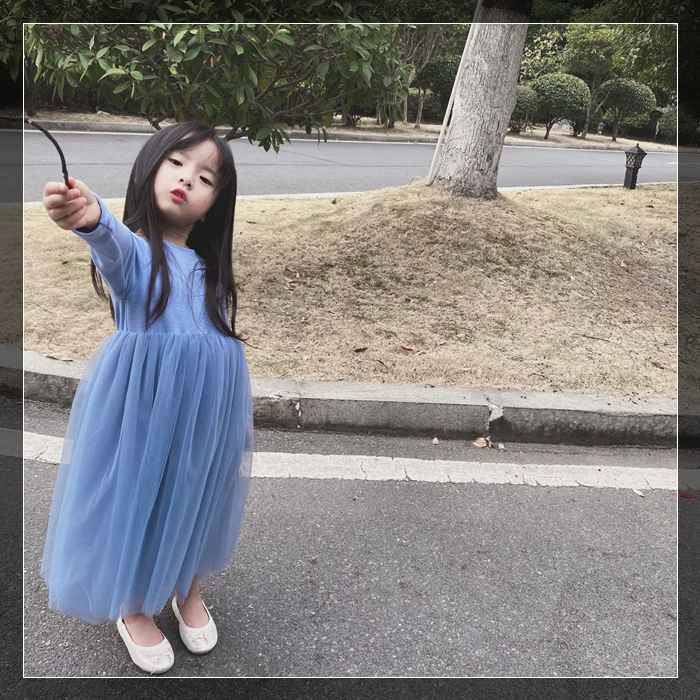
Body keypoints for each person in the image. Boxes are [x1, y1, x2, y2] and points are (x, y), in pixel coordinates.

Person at [39, 121, 255, 675]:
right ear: (150, 169)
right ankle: (134, 604)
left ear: (214, 205)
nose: (187, 179)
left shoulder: (210, 269)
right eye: (176, 164)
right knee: (143, 494)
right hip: (145, 408)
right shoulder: (135, 255)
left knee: (198, 490)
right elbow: (108, 242)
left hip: (208, 408)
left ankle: (187, 587)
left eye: (205, 178)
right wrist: (91, 217)